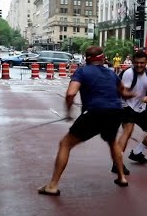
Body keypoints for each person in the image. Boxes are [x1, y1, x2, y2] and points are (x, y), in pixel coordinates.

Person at [38, 46, 135, 196]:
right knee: (112, 142)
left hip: (95, 112)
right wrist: (135, 95)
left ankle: (52, 185)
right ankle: (122, 177)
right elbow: (123, 92)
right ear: (102, 59)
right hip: (115, 112)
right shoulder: (111, 74)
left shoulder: (82, 71)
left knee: (65, 144)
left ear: (86, 58)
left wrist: (69, 112)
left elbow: (71, 94)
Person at [115, 50, 147, 170]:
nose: (139, 65)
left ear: (146, 62)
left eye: (142, 63)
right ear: (133, 62)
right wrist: (131, 95)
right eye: (136, 63)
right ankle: (117, 163)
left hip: (139, 107)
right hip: (125, 106)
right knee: (128, 131)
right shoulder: (128, 73)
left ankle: (137, 153)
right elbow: (122, 92)